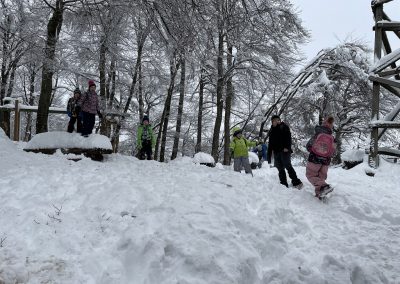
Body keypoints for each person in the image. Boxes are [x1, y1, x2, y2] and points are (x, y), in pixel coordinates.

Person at [266, 115, 303, 188]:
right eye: (274, 120)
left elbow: (288, 138)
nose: (276, 121)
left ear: (279, 120)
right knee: (280, 168)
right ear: (272, 122)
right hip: (276, 152)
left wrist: (287, 147)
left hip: (284, 151)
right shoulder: (271, 130)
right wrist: (269, 156)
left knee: (288, 165)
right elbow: (270, 144)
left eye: (277, 120)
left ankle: (296, 182)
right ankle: (283, 183)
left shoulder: (284, 127)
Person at [305, 116, 336, 198]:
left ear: (323, 124)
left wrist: (313, 150)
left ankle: (324, 187)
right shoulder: (332, 138)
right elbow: (333, 151)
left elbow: (308, 146)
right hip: (326, 161)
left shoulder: (318, 134)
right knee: (321, 178)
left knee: (311, 175)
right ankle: (320, 194)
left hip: (314, 158)